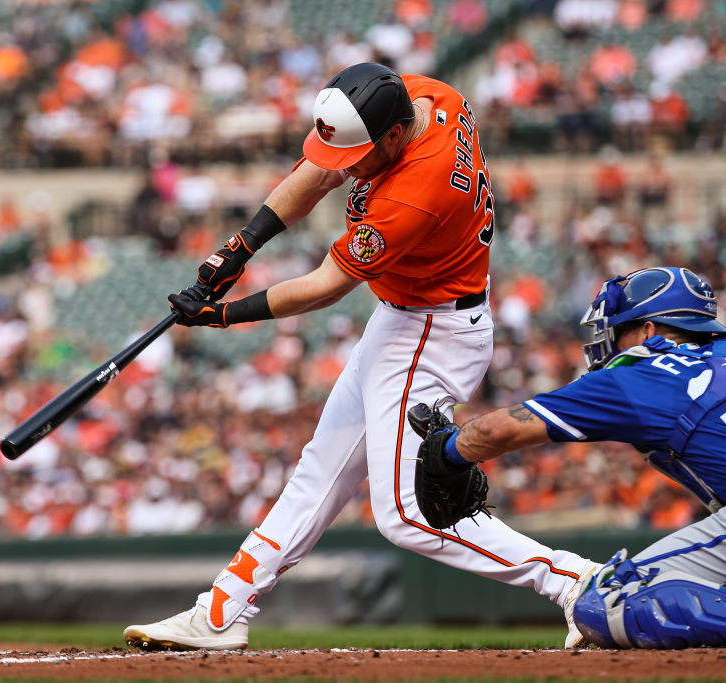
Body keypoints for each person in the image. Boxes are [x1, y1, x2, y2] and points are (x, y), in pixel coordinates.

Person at [123, 62, 598, 651]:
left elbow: (325, 285)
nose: (345, 168)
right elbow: (319, 172)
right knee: (317, 474)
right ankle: (222, 611)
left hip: (433, 331)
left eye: (359, 156)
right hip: (406, 317)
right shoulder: (426, 96)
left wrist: (222, 315)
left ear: (394, 137)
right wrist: (238, 247)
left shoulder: (416, 192)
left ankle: (580, 583)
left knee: (406, 514)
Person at [415, 266, 726, 648]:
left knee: (603, 598)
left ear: (648, 330)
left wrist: (445, 450)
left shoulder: (640, 375)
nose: (607, 342)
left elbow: (496, 430)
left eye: (617, 329)